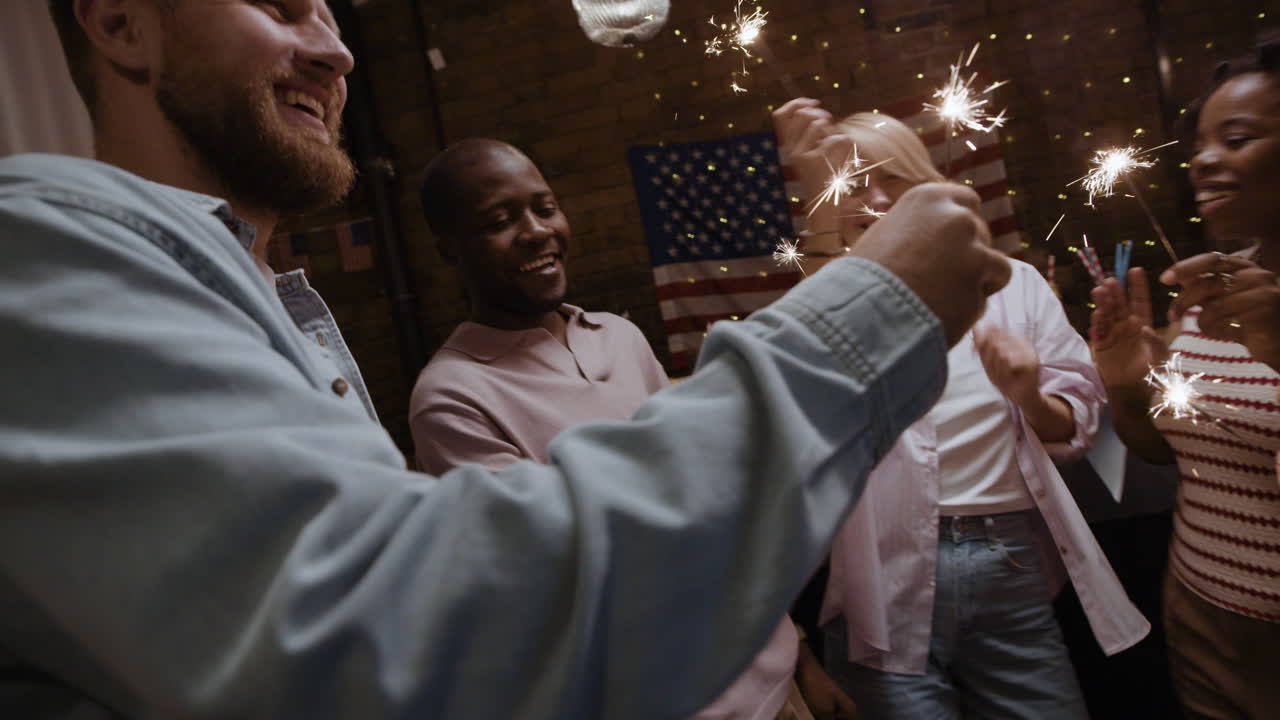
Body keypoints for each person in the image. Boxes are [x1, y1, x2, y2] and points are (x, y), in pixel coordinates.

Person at [0, 2, 1012, 718]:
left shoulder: (273, 302)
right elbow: (422, 634)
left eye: (332, 13)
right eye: (279, 2)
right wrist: (870, 315)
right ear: (119, 20)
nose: (335, 50)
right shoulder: (37, 248)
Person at [773, 98, 1150, 719]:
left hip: (1007, 562)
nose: (872, 198)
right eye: (851, 183)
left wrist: (1028, 391)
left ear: (923, 183)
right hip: (883, 580)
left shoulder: (1014, 284)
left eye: (888, 176)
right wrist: (814, 193)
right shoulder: (835, 297)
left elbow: (1075, 423)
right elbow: (815, 378)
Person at [410, 138, 810, 720]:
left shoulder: (620, 338)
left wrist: (799, 652)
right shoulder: (451, 397)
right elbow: (559, 575)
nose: (536, 231)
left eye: (543, 207)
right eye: (500, 220)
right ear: (450, 249)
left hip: (770, 675)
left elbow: (715, 507)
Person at [1090, 41, 1280, 718]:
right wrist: (1126, 385)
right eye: (1200, 142)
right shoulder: (1207, 299)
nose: (1203, 160)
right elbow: (1167, 452)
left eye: (1237, 138)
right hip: (1201, 622)